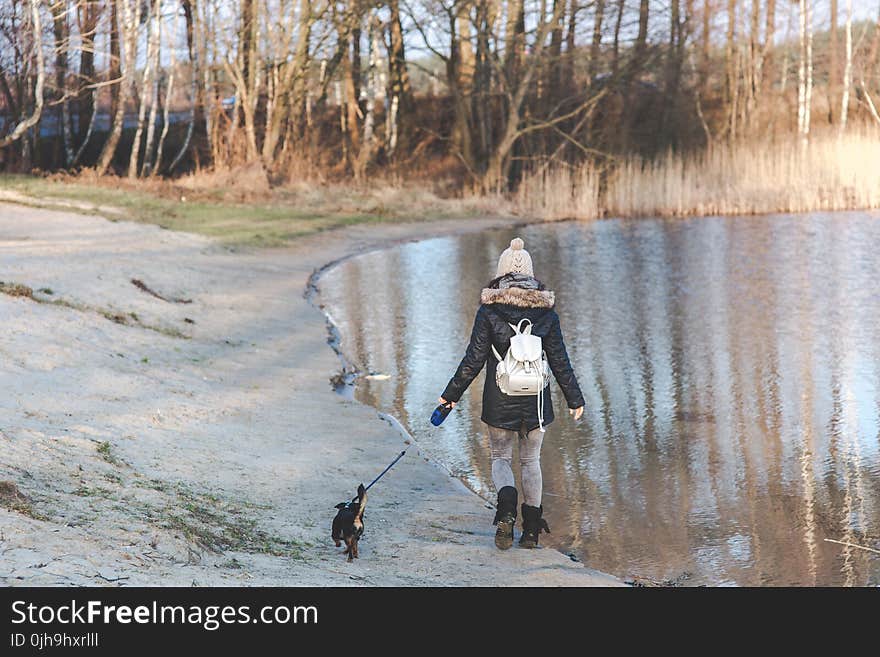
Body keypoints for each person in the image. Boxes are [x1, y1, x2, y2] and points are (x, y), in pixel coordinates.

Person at [439, 237, 585, 550]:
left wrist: (450, 395)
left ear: (500, 273)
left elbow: (473, 360)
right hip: (537, 401)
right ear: (531, 275)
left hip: (500, 399)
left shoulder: (489, 311)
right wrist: (575, 399)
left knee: (501, 457)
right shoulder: (547, 313)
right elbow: (560, 360)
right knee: (531, 461)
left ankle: (506, 509)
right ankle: (531, 532)